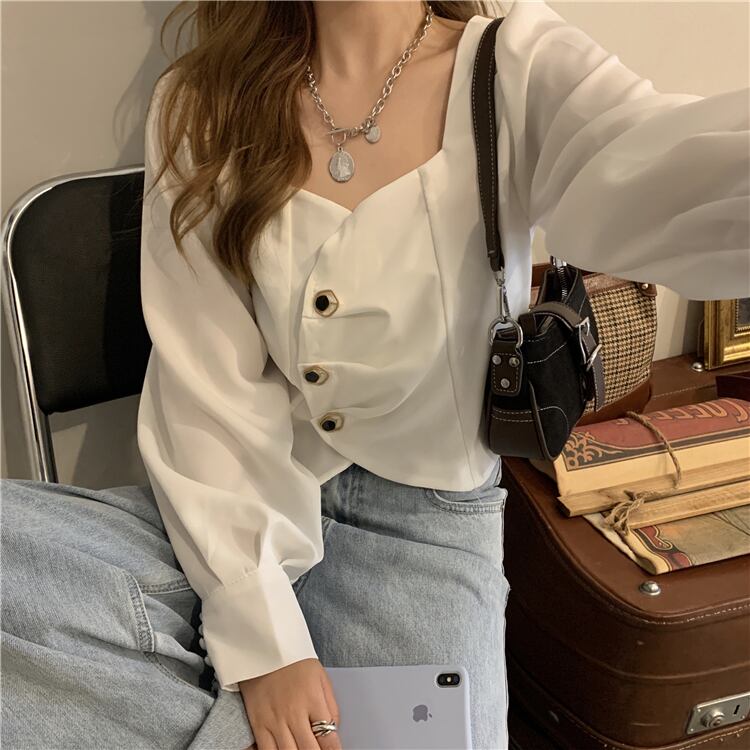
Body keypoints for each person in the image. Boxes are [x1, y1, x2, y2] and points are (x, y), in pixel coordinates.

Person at [2, 1, 748, 749]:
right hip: (237, 508)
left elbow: (670, 174)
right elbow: (205, 391)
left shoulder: (513, 68)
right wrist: (263, 639)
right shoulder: (202, 105)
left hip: (424, 537)